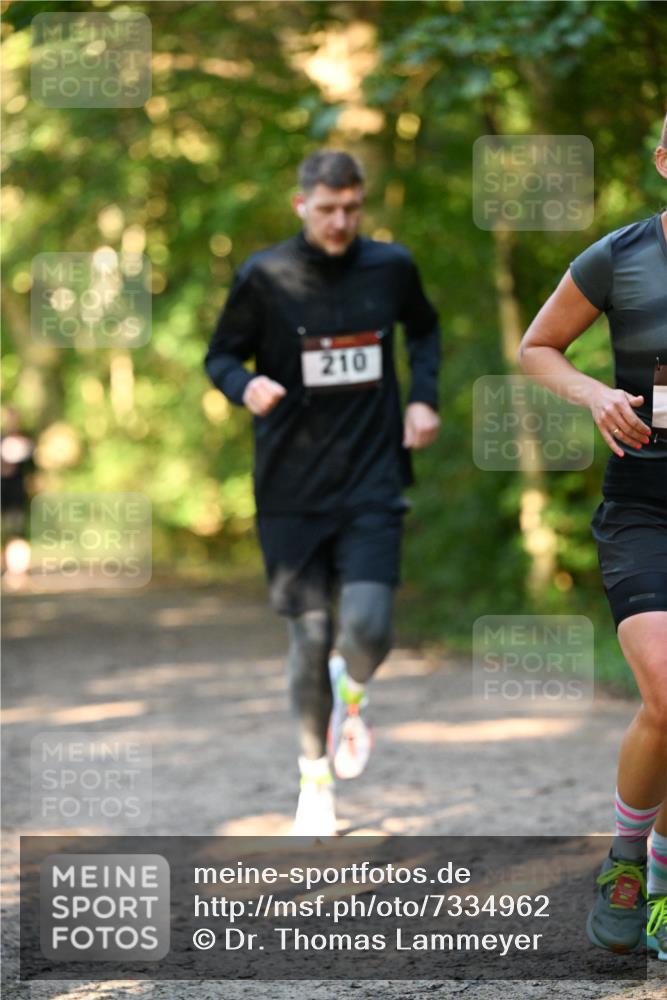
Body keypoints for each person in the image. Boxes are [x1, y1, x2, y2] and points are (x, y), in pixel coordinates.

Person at [204, 150, 441, 836]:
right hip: (289, 488)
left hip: (371, 477)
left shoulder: (390, 267)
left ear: (361, 204)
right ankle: (314, 781)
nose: (340, 221)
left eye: (352, 208)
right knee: (308, 640)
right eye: (328, 207)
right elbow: (220, 353)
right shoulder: (265, 275)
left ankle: (353, 690)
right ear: (301, 203)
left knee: (367, 627)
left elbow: (424, 330)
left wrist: (422, 399)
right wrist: (241, 384)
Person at [518, 116, 667, 961]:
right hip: (644, 509)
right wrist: (590, 394)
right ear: (661, 162)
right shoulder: (621, 253)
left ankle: (660, 879)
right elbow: (537, 346)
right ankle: (625, 858)